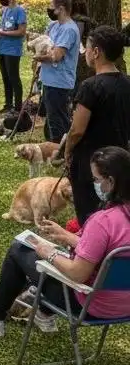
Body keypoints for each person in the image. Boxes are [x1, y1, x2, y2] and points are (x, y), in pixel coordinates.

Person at [0, 147, 130, 337]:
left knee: (19, 249)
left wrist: (48, 253)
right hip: (125, 306)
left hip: (91, 306)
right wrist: (68, 237)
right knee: (56, 254)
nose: (94, 184)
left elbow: (77, 274)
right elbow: (108, 251)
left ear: (111, 181)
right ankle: (43, 313)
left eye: (96, 180)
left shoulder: (103, 221)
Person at [65, 26, 130, 225]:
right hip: (119, 158)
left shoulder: (90, 86)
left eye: (88, 47)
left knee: (90, 215)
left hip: (90, 161)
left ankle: (87, 252)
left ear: (96, 52)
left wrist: (67, 151)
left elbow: (77, 130)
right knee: (116, 214)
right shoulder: (127, 84)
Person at [35, 0, 80, 143]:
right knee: (51, 117)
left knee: (58, 120)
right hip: (49, 79)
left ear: (61, 9)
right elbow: (44, 43)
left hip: (59, 82)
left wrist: (39, 58)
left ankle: (60, 151)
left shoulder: (69, 29)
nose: (49, 10)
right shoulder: (54, 26)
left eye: (51, 7)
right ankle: (52, 147)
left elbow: (56, 56)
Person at [0, 0, 28, 114]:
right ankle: (8, 104)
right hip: (2, 49)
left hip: (13, 50)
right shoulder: (6, 10)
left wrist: (2, 33)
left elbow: (21, 32)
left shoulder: (19, 11)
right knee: (5, 78)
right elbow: (5, 29)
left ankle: (18, 107)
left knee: (14, 78)